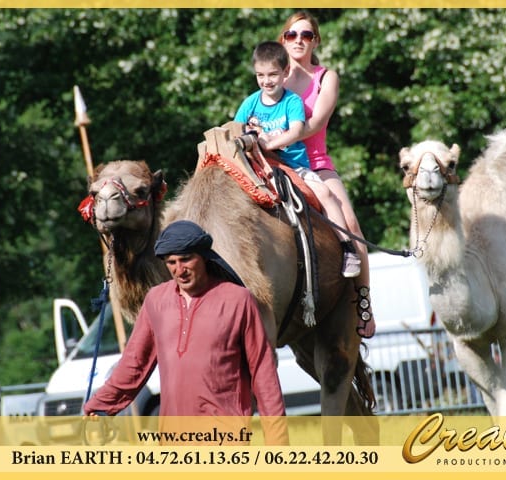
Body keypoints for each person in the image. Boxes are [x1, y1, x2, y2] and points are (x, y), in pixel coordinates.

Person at [83, 220, 289, 446]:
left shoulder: (238, 300)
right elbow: (134, 364)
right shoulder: (156, 300)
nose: (179, 270)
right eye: (171, 262)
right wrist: (100, 405)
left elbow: (263, 372)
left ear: (204, 257)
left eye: (185, 260)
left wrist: (277, 441)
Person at [279, 11, 375, 338]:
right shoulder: (273, 76)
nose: (299, 41)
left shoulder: (326, 77)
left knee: (350, 222)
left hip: (316, 162)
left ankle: (364, 303)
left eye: (306, 35)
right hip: (279, 163)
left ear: (315, 41)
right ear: (283, 40)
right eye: (292, 35)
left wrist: (273, 137)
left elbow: (316, 123)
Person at [234, 40, 361, 280]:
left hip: (293, 165)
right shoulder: (250, 103)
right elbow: (235, 128)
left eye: (272, 74)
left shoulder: (291, 101)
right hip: (261, 166)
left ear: (284, 74)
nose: (266, 81)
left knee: (324, 194)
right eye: (260, 75)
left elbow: (295, 131)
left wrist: (269, 142)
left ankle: (347, 247)